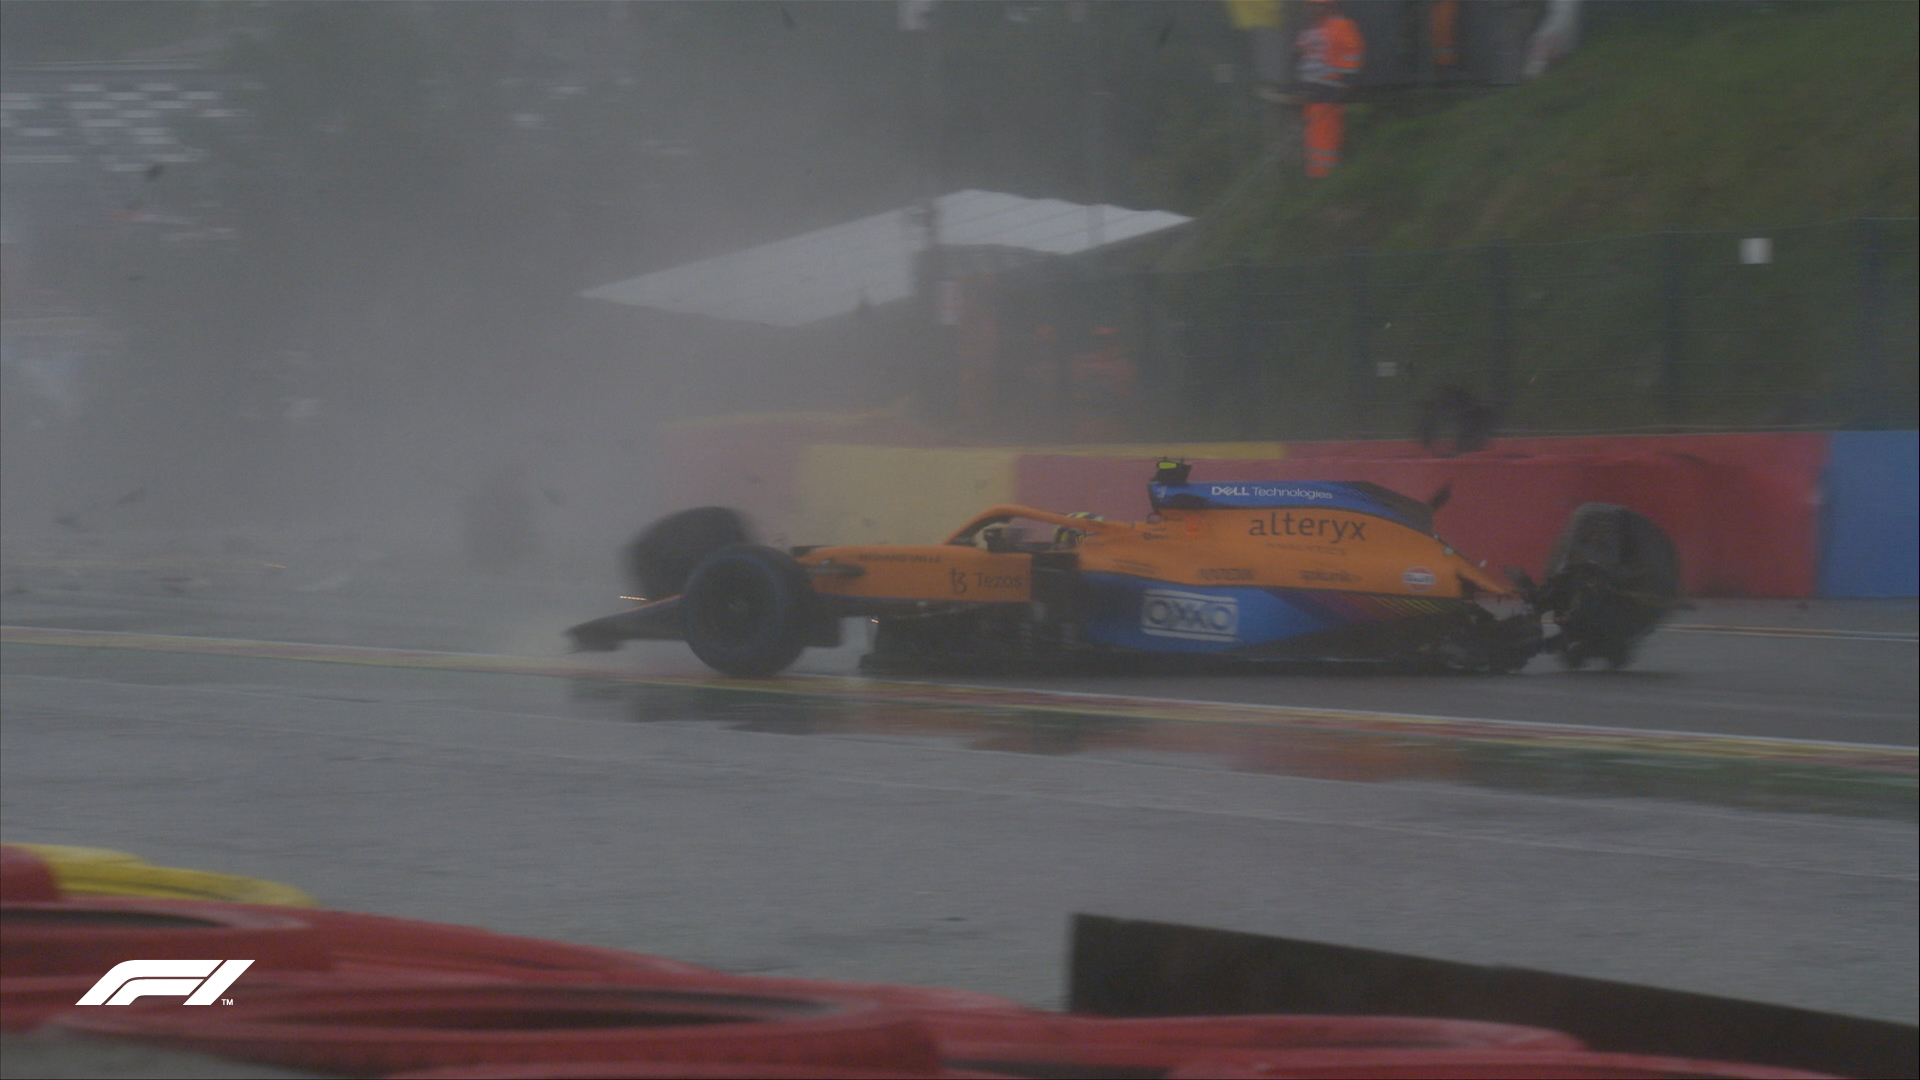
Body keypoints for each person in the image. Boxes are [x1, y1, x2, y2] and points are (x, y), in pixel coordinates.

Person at [1295, 0, 1365, 178]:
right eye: (1309, 5)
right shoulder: (1309, 27)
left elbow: (1352, 52)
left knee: (1325, 137)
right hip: (1311, 91)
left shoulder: (1340, 25)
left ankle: (1326, 177)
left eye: (1317, 5)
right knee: (1312, 136)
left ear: (1329, 6)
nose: (1311, 9)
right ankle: (1314, 175)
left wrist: (1348, 80)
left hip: (1329, 90)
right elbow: (1303, 56)